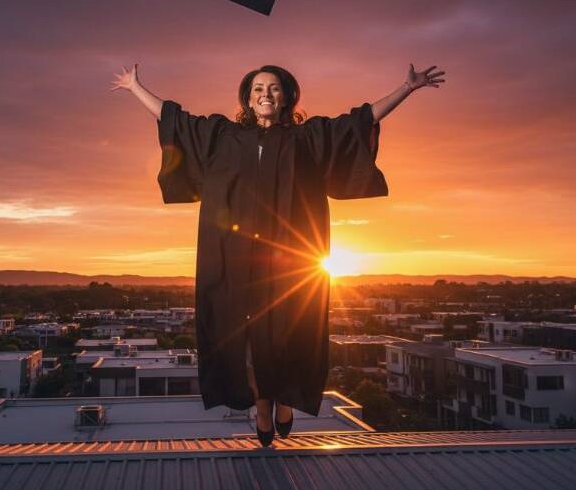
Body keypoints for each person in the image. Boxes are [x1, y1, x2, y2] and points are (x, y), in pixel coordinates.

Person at [111, 62, 445, 446]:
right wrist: (136, 87)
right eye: (257, 89)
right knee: (242, 339)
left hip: (290, 261)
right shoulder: (222, 136)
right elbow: (175, 119)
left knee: (287, 333)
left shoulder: (307, 137)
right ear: (247, 99)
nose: (265, 94)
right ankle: (263, 402)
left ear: (286, 96)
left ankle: (284, 397)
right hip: (233, 259)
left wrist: (407, 87)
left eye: (272, 88)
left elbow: (360, 120)